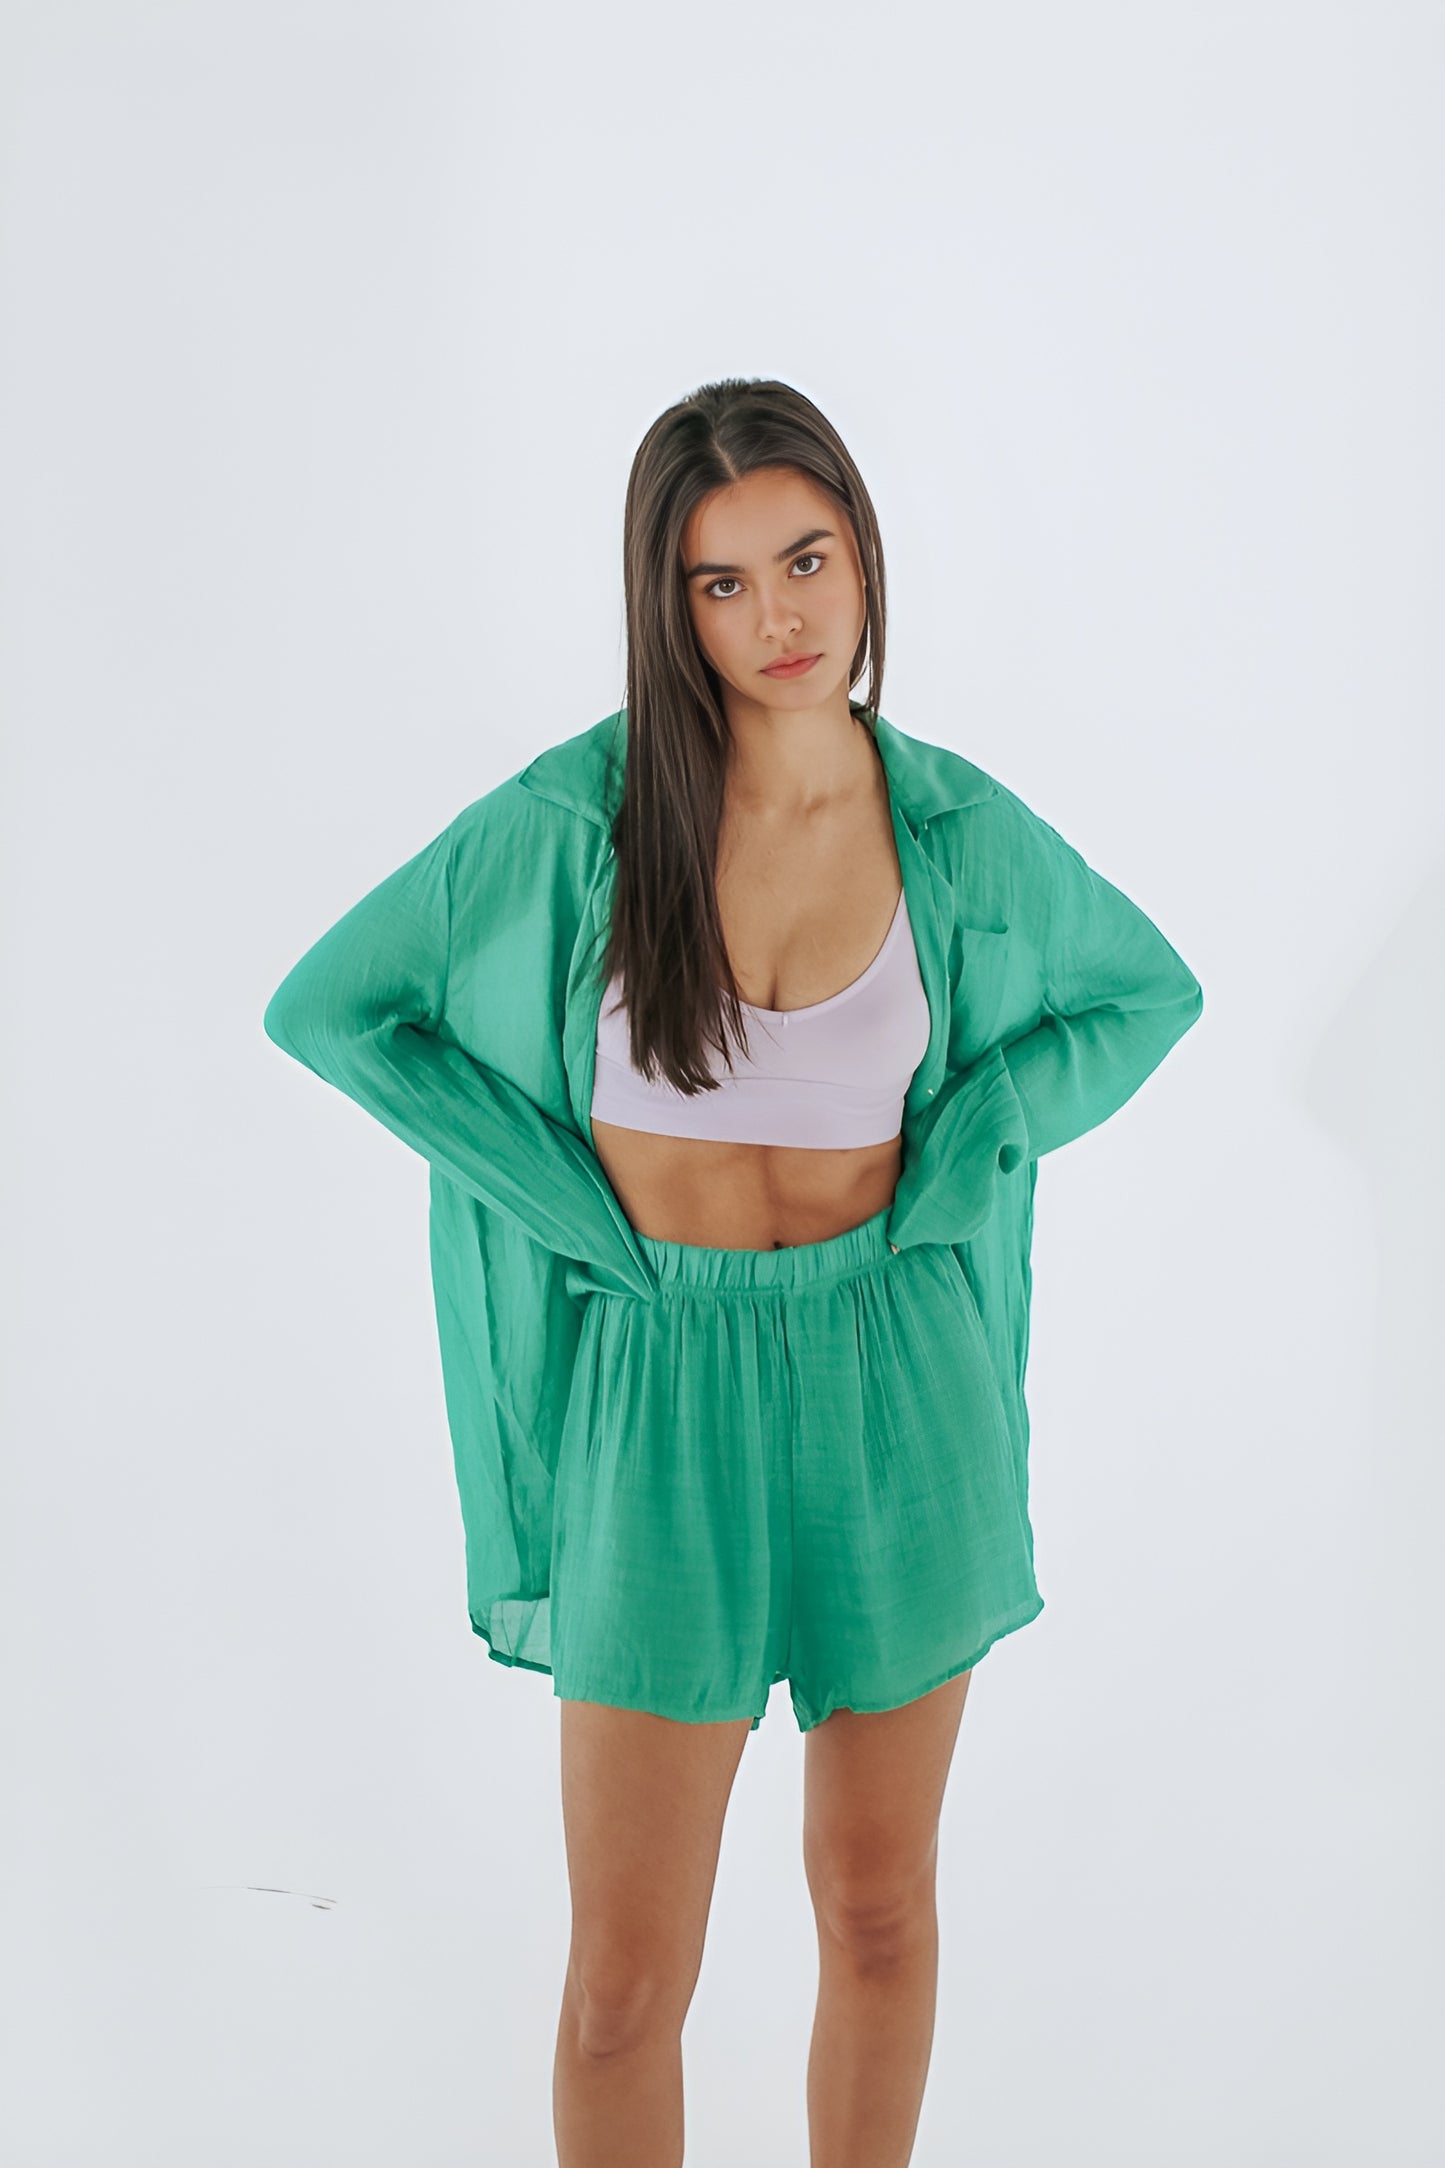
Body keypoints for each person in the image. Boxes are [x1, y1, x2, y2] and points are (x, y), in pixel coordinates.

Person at [262, 376, 1204, 2168]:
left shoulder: (945, 825)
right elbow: (334, 1008)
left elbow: (1142, 991)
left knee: (877, 1906)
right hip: (654, 1394)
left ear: (861, 557)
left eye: (806, 559)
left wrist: (978, 1135)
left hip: (895, 1375)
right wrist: (552, 1196)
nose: (779, 616)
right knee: (625, 1981)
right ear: (668, 604)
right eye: (722, 582)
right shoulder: (577, 819)